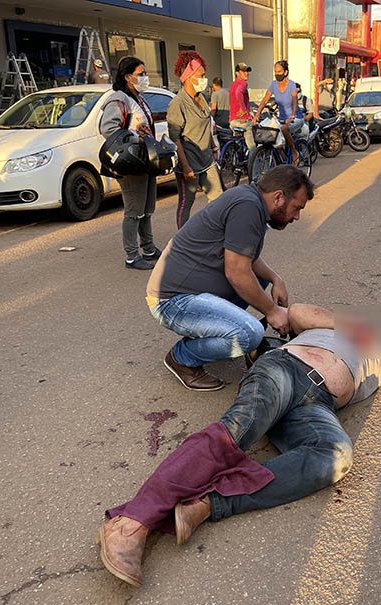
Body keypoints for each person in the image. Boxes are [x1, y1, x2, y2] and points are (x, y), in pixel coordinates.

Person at [96, 302, 381, 587]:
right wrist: (347, 322)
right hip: (284, 370)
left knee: (337, 457)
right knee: (236, 431)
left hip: (317, 408)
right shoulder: (324, 326)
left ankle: (207, 504)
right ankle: (131, 524)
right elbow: (295, 312)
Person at [146, 164, 312, 392]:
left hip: (190, 293)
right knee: (249, 334)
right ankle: (182, 358)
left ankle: (218, 333)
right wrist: (272, 312)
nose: (297, 216)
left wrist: (275, 278)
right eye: (296, 208)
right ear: (279, 197)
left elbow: (246, 257)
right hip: (173, 302)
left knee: (259, 281)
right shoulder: (247, 207)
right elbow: (237, 272)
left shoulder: (252, 201)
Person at [99, 56, 162, 270]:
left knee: (146, 208)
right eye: (141, 74)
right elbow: (109, 129)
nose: (145, 78)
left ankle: (149, 248)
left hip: (145, 160)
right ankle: (132, 256)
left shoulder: (138, 98)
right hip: (130, 162)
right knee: (134, 210)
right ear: (127, 77)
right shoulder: (118, 99)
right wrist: (135, 136)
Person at [167, 51, 222, 229]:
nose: (204, 79)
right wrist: (185, 166)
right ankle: (182, 241)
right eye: (201, 75)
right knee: (186, 203)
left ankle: (214, 232)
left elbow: (207, 123)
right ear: (189, 77)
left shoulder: (202, 99)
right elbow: (175, 138)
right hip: (189, 163)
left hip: (207, 160)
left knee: (218, 198)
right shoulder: (178, 103)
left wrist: (213, 148)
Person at [253, 60, 301, 166]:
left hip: (296, 118)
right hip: (282, 119)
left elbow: (295, 103)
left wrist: (292, 117)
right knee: (271, 132)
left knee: (284, 129)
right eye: (275, 72)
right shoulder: (273, 84)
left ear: (285, 72)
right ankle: (281, 156)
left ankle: (294, 152)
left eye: (279, 72)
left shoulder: (292, 85)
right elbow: (265, 100)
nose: (277, 74)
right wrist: (257, 114)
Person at [228, 62, 256, 152]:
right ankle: (255, 165)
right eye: (243, 71)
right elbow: (238, 93)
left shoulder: (233, 84)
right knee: (252, 148)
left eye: (247, 71)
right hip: (242, 121)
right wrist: (244, 110)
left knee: (239, 144)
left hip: (232, 121)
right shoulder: (243, 83)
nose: (246, 73)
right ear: (237, 73)